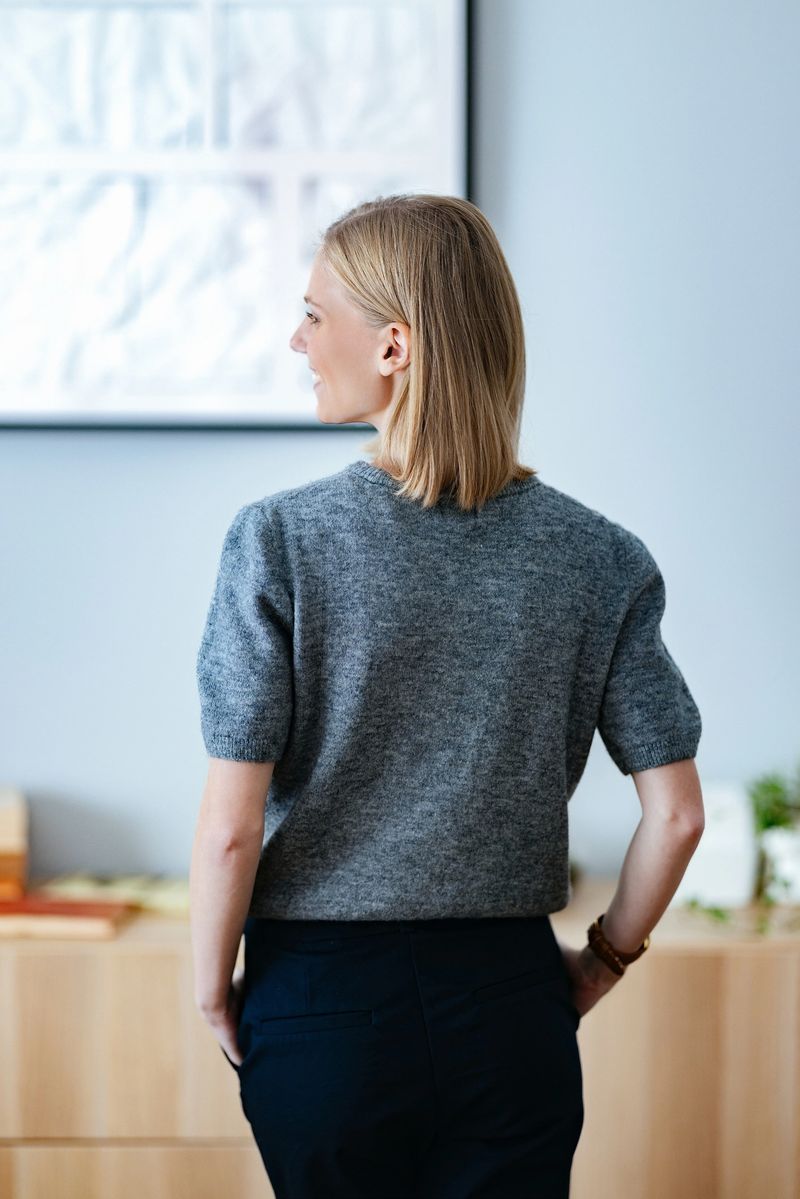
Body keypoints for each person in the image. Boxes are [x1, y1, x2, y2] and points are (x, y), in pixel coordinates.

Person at [189, 193, 705, 1199]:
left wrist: (213, 984)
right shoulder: (598, 556)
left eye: (313, 314)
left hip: (319, 1003)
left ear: (393, 346)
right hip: (509, 1001)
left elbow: (229, 830)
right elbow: (677, 814)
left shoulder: (278, 541)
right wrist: (601, 960)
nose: (298, 340)